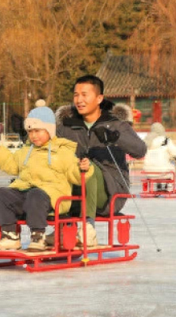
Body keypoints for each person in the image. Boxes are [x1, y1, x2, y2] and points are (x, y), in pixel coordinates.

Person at [0, 100, 92, 251]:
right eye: (30, 131)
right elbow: (12, 164)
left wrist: (84, 169)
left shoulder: (62, 152)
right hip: (27, 193)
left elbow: (75, 175)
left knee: (36, 194)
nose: (33, 136)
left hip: (53, 197)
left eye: (38, 131)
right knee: (1, 194)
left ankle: (38, 236)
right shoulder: (26, 150)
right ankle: (10, 236)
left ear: (50, 130)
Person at [56, 75, 147, 247]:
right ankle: (51, 229)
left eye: (84, 94)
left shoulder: (115, 125)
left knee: (89, 167)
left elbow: (140, 150)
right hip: (76, 191)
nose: (79, 100)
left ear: (99, 98)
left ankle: (88, 227)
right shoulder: (66, 127)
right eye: (76, 95)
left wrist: (116, 137)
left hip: (109, 193)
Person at [143, 122, 176, 190]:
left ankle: (158, 185)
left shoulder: (147, 141)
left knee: (157, 165)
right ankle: (169, 187)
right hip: (162, 171)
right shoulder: (165, 140)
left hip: (148, 172)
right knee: (172, 167)